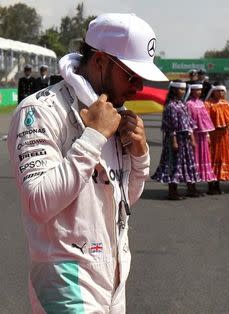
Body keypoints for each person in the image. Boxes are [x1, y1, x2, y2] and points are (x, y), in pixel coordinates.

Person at [7, 13, 167, 312]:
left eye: (141, 78)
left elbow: (125, 202)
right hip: (64, 275)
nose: (138, 87)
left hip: (114, 274)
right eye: (130, 75)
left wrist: (140, 156)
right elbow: (38, 202)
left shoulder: (115, 115)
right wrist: (93, 136)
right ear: (100, 61)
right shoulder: (41, 111)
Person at [152, 80, 201, 199]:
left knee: (188, 164)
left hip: (186, 139)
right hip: (175, 139)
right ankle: (172, 192)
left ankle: (191, 189)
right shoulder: (171, 106)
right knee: (174, 163)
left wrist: (192, 138)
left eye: (184, 89)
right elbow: (170, 126)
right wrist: (174, 140)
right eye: (181, 89)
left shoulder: (182, 104)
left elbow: (189, 123)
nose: (183, 92)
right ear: (174, 90)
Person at [204, 83, 229, 194]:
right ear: (213, 92)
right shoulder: (208, 104)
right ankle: (211, 186)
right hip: (213, 135)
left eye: (222, 91)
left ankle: (218, 184)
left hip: (223, 136)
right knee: (212, 158)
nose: (220, 93)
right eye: (218, 91)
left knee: (221, 159)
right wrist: (207, 135)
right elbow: (206, 122)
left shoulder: (226, 104)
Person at [185, 82, 217, 183]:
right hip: (194, 135)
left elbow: (205, 120)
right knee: (194, 157)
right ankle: (192, 182)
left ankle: (201, 178)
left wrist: (207, 135)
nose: (199, 92)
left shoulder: (201, 103)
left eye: (200, 90)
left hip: (203, 135)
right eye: (197, 90)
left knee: (204, 156)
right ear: (192, 91)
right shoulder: (189, 104)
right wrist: (191, 137)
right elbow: (188, 122)